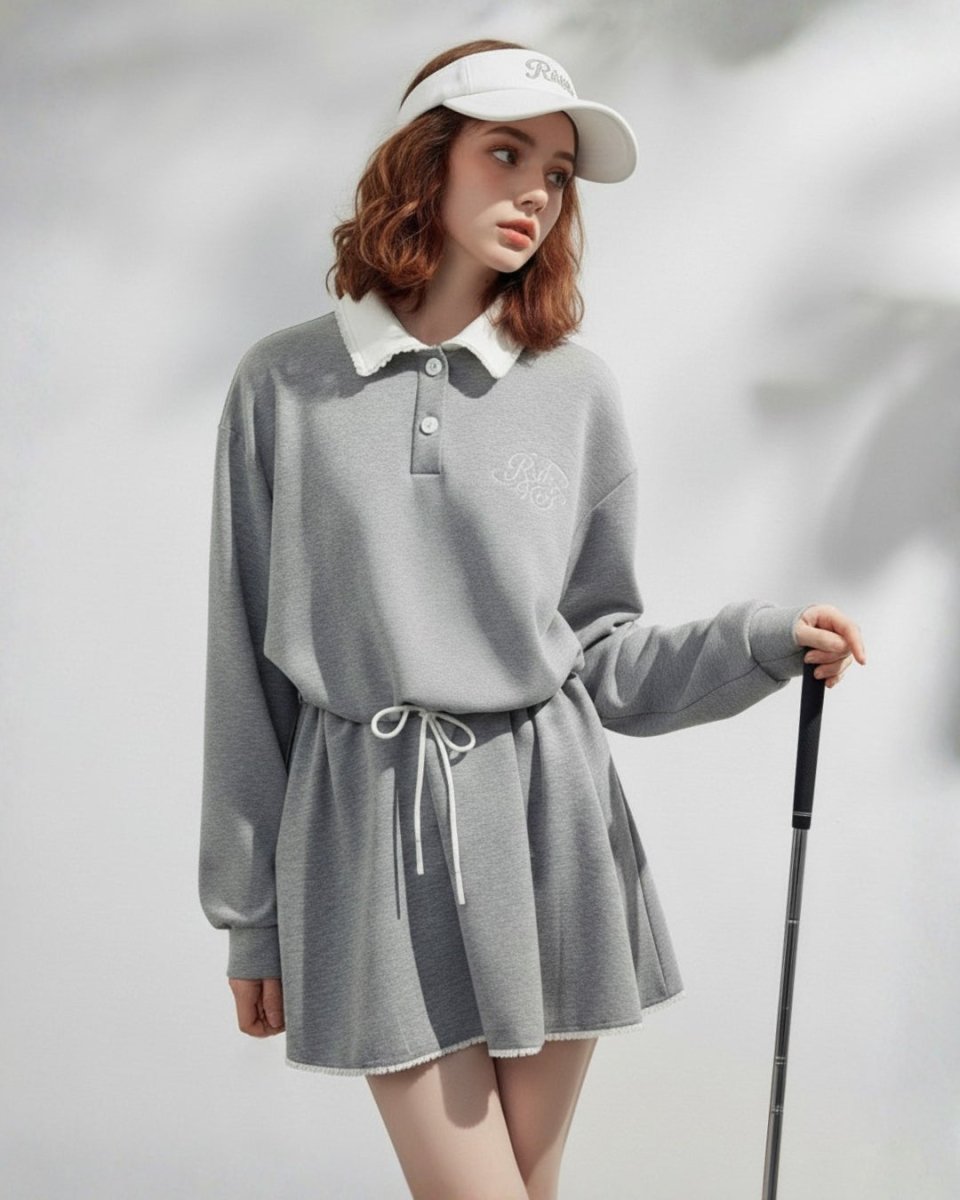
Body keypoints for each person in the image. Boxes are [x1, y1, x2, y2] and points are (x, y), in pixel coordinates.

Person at [198, 38, 867, 1200]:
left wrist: (761, 642)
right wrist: (250, 918)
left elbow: (597, 652)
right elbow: (243, 669)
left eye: (556, 173)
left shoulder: (574, 391)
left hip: (549, 825)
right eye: (505, 155)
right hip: (370, 834)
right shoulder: (284, 383)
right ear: (426, 161)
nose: (536, 195)